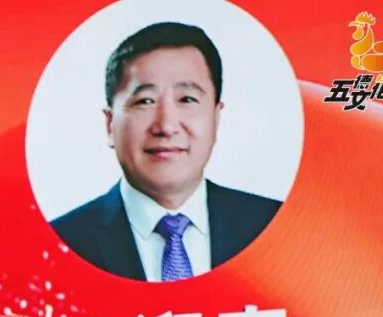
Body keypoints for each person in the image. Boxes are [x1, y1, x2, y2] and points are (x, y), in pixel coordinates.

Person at [49, 22, 281, 282]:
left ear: (216, 118)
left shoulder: (276, 226)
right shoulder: (57, 245)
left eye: (187, 99)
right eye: (144, 102)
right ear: (110, 124)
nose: (166, 126)